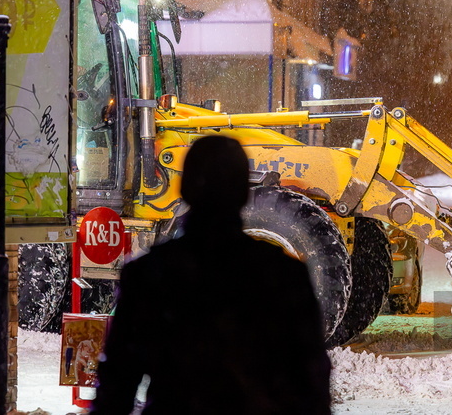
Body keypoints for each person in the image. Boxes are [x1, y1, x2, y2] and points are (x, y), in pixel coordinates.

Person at [91, 135, 331, 415]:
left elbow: (117, 385)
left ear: (184, 188)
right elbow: (312, 385)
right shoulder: (284, 275)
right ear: (244, 192)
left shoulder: (149, 275)